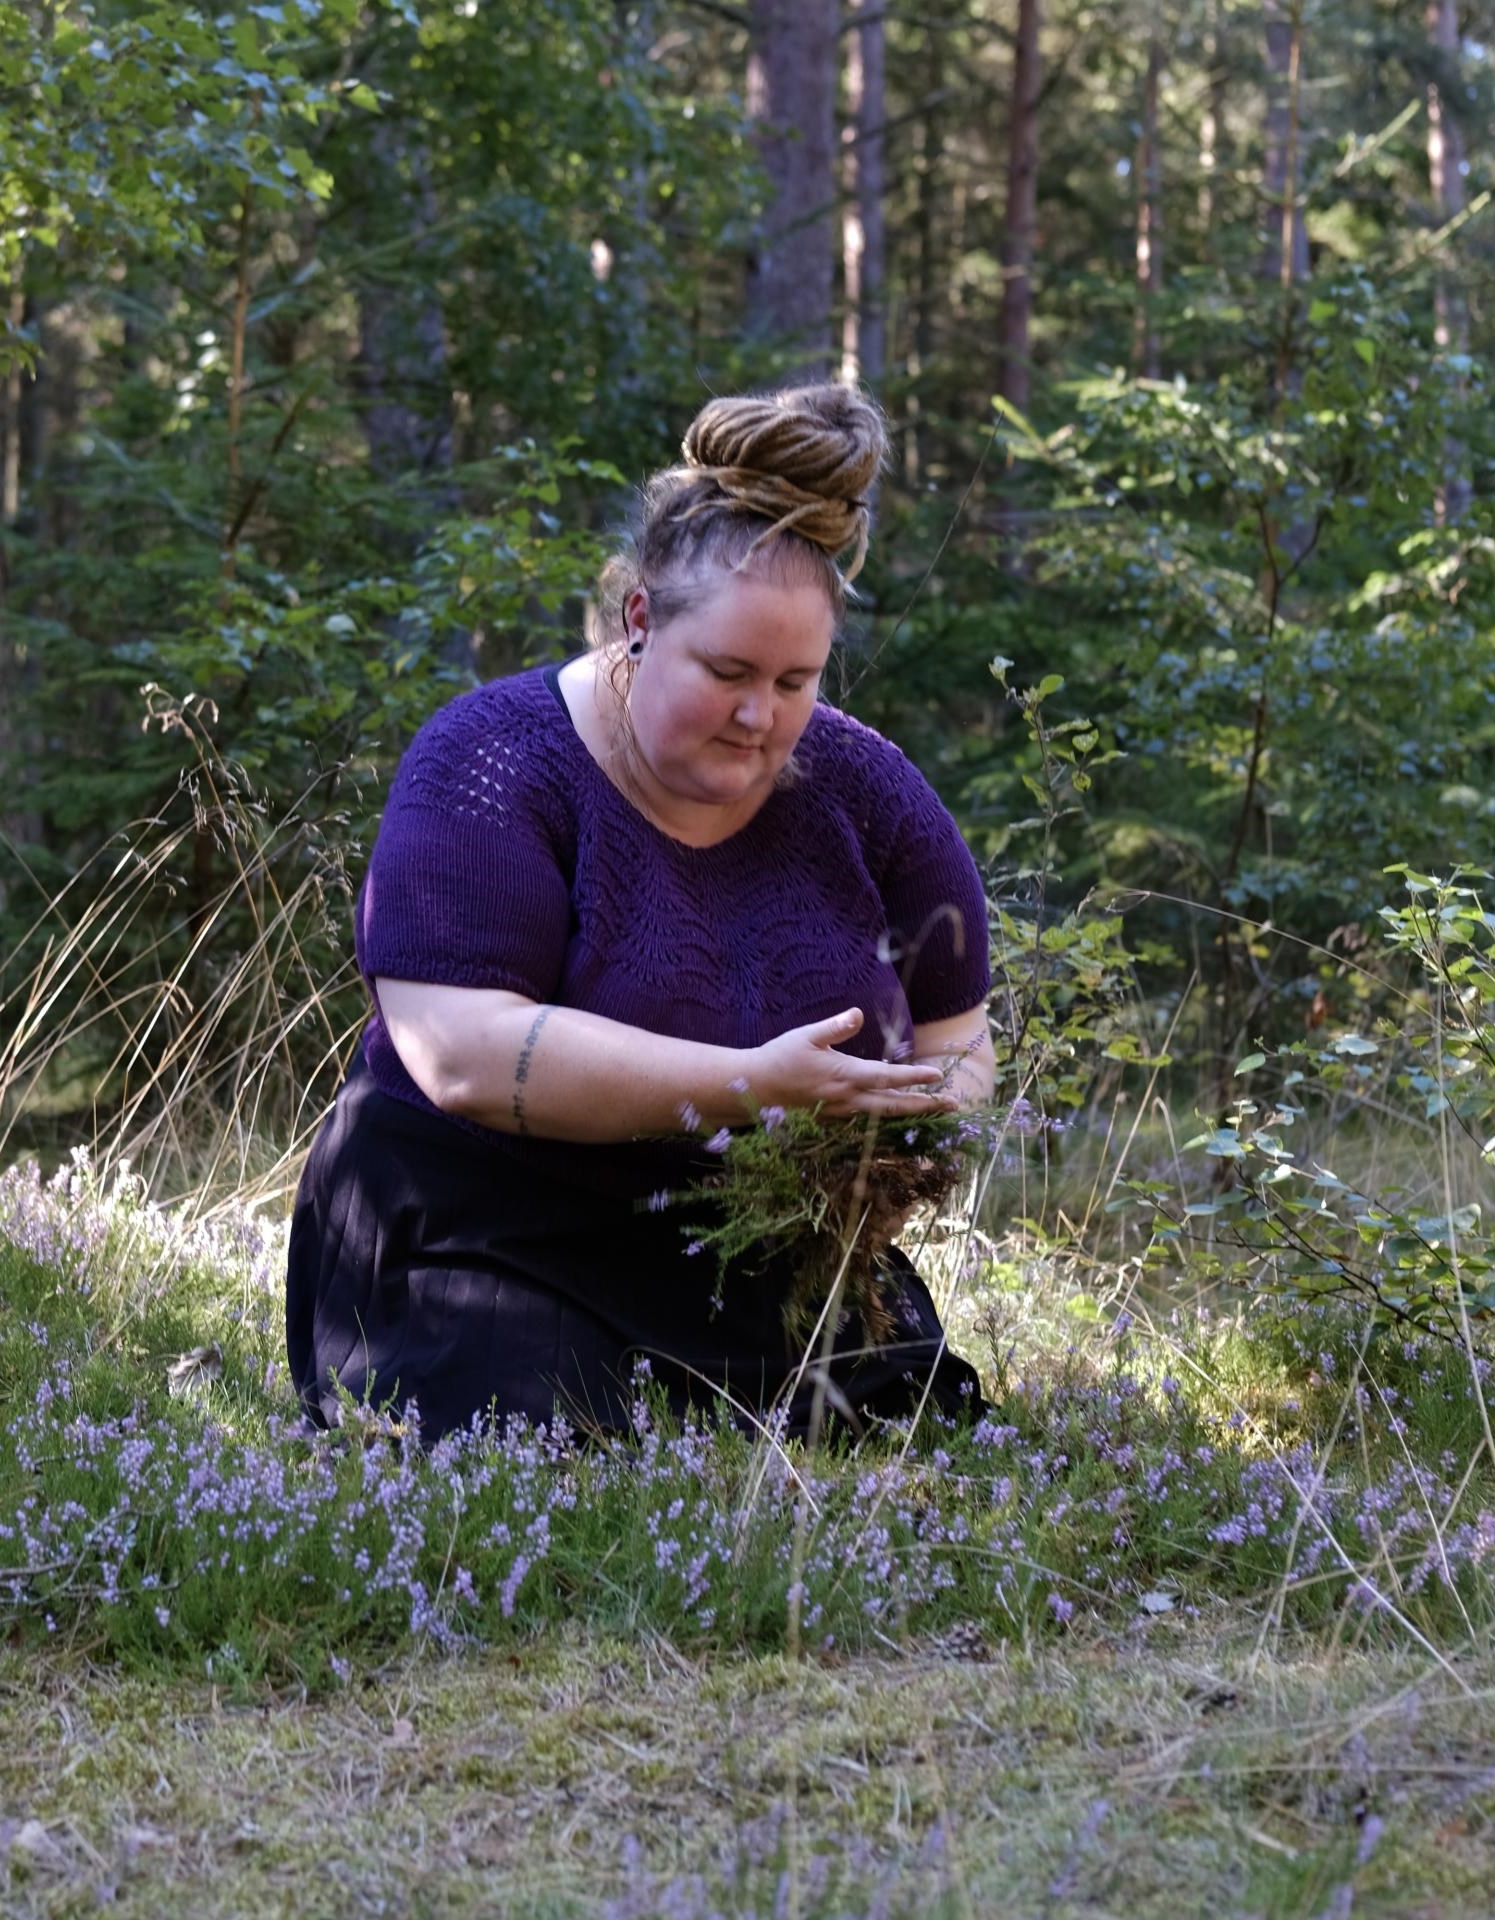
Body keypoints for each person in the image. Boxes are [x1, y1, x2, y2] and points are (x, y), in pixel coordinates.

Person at [286, 384, 994, 1442]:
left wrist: (899, 1124)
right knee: (531, 1429)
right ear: (639, 621)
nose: (762, 716)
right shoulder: (489, 763)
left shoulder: (867, 790)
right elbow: (462, 1056)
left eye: (797, 680)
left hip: (739, 1247)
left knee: (901, 1414)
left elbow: (961, 1041)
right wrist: (754, 1086)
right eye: (727, 672)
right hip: (484, 1228)